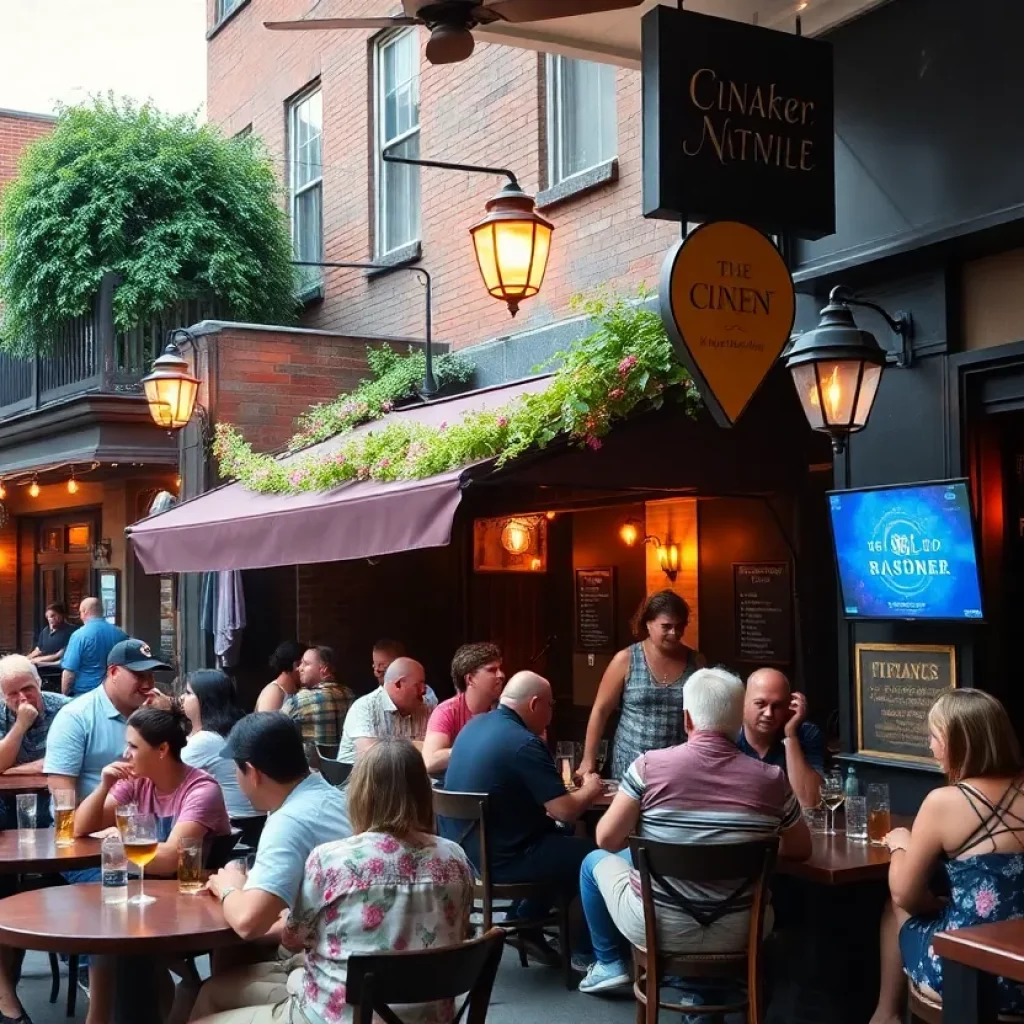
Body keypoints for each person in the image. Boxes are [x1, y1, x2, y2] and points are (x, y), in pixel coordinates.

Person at [192, 738, 474, 1024]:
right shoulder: (456, 858)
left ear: (359, 793)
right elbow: (458, 934)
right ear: (425, 793)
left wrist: (235, 892)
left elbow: (291, 940)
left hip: (337, 1016)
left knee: (210, 998)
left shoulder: (331, 859)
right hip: (430, 1016)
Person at [576, 666, 811, 995]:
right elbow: (802, 849)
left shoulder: (647, 766)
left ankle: (608, 964)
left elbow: (606, 839)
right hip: (743, 929)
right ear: (736, 720)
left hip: (659, 926)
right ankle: (700, 995)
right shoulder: (772, 779)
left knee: (593, 860)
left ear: (687, 719)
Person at [870, 690, 1024, 1024]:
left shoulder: (944, 801)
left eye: (934, 736)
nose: (930, 746)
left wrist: (901, 844)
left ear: (959, 742)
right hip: (1020, 964)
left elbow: (904, 894)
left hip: (970, 974)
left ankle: (886, 1015)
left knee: (893, 905)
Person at [73, 705, 231, 1024]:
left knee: (115, 934)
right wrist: (104, 785)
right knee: (104, 925)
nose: (125, 753)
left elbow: (171, 858)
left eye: (133, 746)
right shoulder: (137, 781)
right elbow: (81, 826)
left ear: (162, 749)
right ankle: (106, 1016)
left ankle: (111, 1017)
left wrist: (117, 840)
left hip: (190, 902)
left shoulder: (201, 790)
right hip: (150, 896)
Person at [190, 713, 351, 1020]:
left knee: (211, 991)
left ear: (251, 771)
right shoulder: (332, 797)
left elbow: (249, 922)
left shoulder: (289, 820)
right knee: (217, 980)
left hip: (329, 987)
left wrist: (228, 888)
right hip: (357, 968)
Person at [443, 670, 602, 966]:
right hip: (504, 858)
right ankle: (586, 952)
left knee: (562, 841)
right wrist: (591, 790)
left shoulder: (475, 725)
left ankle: (526, 921)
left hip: (465, 851)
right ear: (535, 704)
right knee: (591, 855)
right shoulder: (524, 742)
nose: (551, 714)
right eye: (551, 706)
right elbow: (564, 809)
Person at [580, 590, 706, 780]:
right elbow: (600, 710)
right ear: (648, 624)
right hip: (630, 765)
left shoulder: (696, 662)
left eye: (679, 626)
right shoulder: (626, 659)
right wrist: (588, 761)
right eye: (666, 626)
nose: (674, 633)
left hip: (677, 769)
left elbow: (706, 716)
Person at [44, 638, 169, 805]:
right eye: (139, 675)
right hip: (92, 825)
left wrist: (167, 719)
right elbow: (62, 791)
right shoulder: (76, 716)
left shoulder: (155, 711)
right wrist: (89, 827)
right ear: (114, 672)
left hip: (147, 821)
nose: (148, 684)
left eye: (150, 675)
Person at [736, 667, 824, 808]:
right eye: (760, 704)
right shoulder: (727, 735)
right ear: (742, 702)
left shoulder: (805, 733)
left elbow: (811, 802)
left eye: (777, 706)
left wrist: (791, 735)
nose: (769, 713)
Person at [182, 670, 259, 818]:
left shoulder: (206, 740)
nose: (182, 698)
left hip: (233, 825)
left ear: (205, 700)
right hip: (250, 822)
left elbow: (166, 775)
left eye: (188, 693)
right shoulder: (230, 730)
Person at [422, 642, 504, 777]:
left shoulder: (505, 709)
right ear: (470, 679)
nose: (501, 675)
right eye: (492, 670)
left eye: (500, 668)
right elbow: (429, 761)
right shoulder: (446, 711)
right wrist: (473, 747)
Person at [336, 657, 431, 764]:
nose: (424, 690)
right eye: (418, 685)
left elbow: (435, 751)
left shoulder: (426, 707)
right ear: (398, 684)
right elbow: (372, 757)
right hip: (358, 777)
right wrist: (418, 746)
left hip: (406, 776)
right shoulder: (364, 707)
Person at [0, 654, 70, 775]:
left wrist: (15, 771)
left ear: (38, 683)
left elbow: (70, 759)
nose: (23, 698)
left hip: (56, 787)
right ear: (3, 697)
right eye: (13, 694)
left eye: (27, 688)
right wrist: (20, 725)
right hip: (8, 791)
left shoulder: (67, 708)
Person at [282, 645, 354, 747]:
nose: (299, 668)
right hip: (346, 762)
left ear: (324, 670)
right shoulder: (351, 696)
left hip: (310, 762)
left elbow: (275, 731)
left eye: (306, 664)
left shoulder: (299, 701)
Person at [60, 596, 127, 697]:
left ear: (85, 612)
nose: (80, 616)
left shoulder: (79, 636)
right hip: (113, 694)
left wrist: (64, 696)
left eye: (80, 613)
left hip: (85, 694)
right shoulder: (120, 634)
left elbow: (69, 673)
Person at [372, 639, 438, 707]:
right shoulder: (372, 701)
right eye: (375, 665)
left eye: (383, 666)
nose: (377, 671)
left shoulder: (425, 693)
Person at [254, 642, 306, 713]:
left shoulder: (294, 690)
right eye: (306, 664)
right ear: (297, 665)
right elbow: (267, 723)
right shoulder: (273, 692)